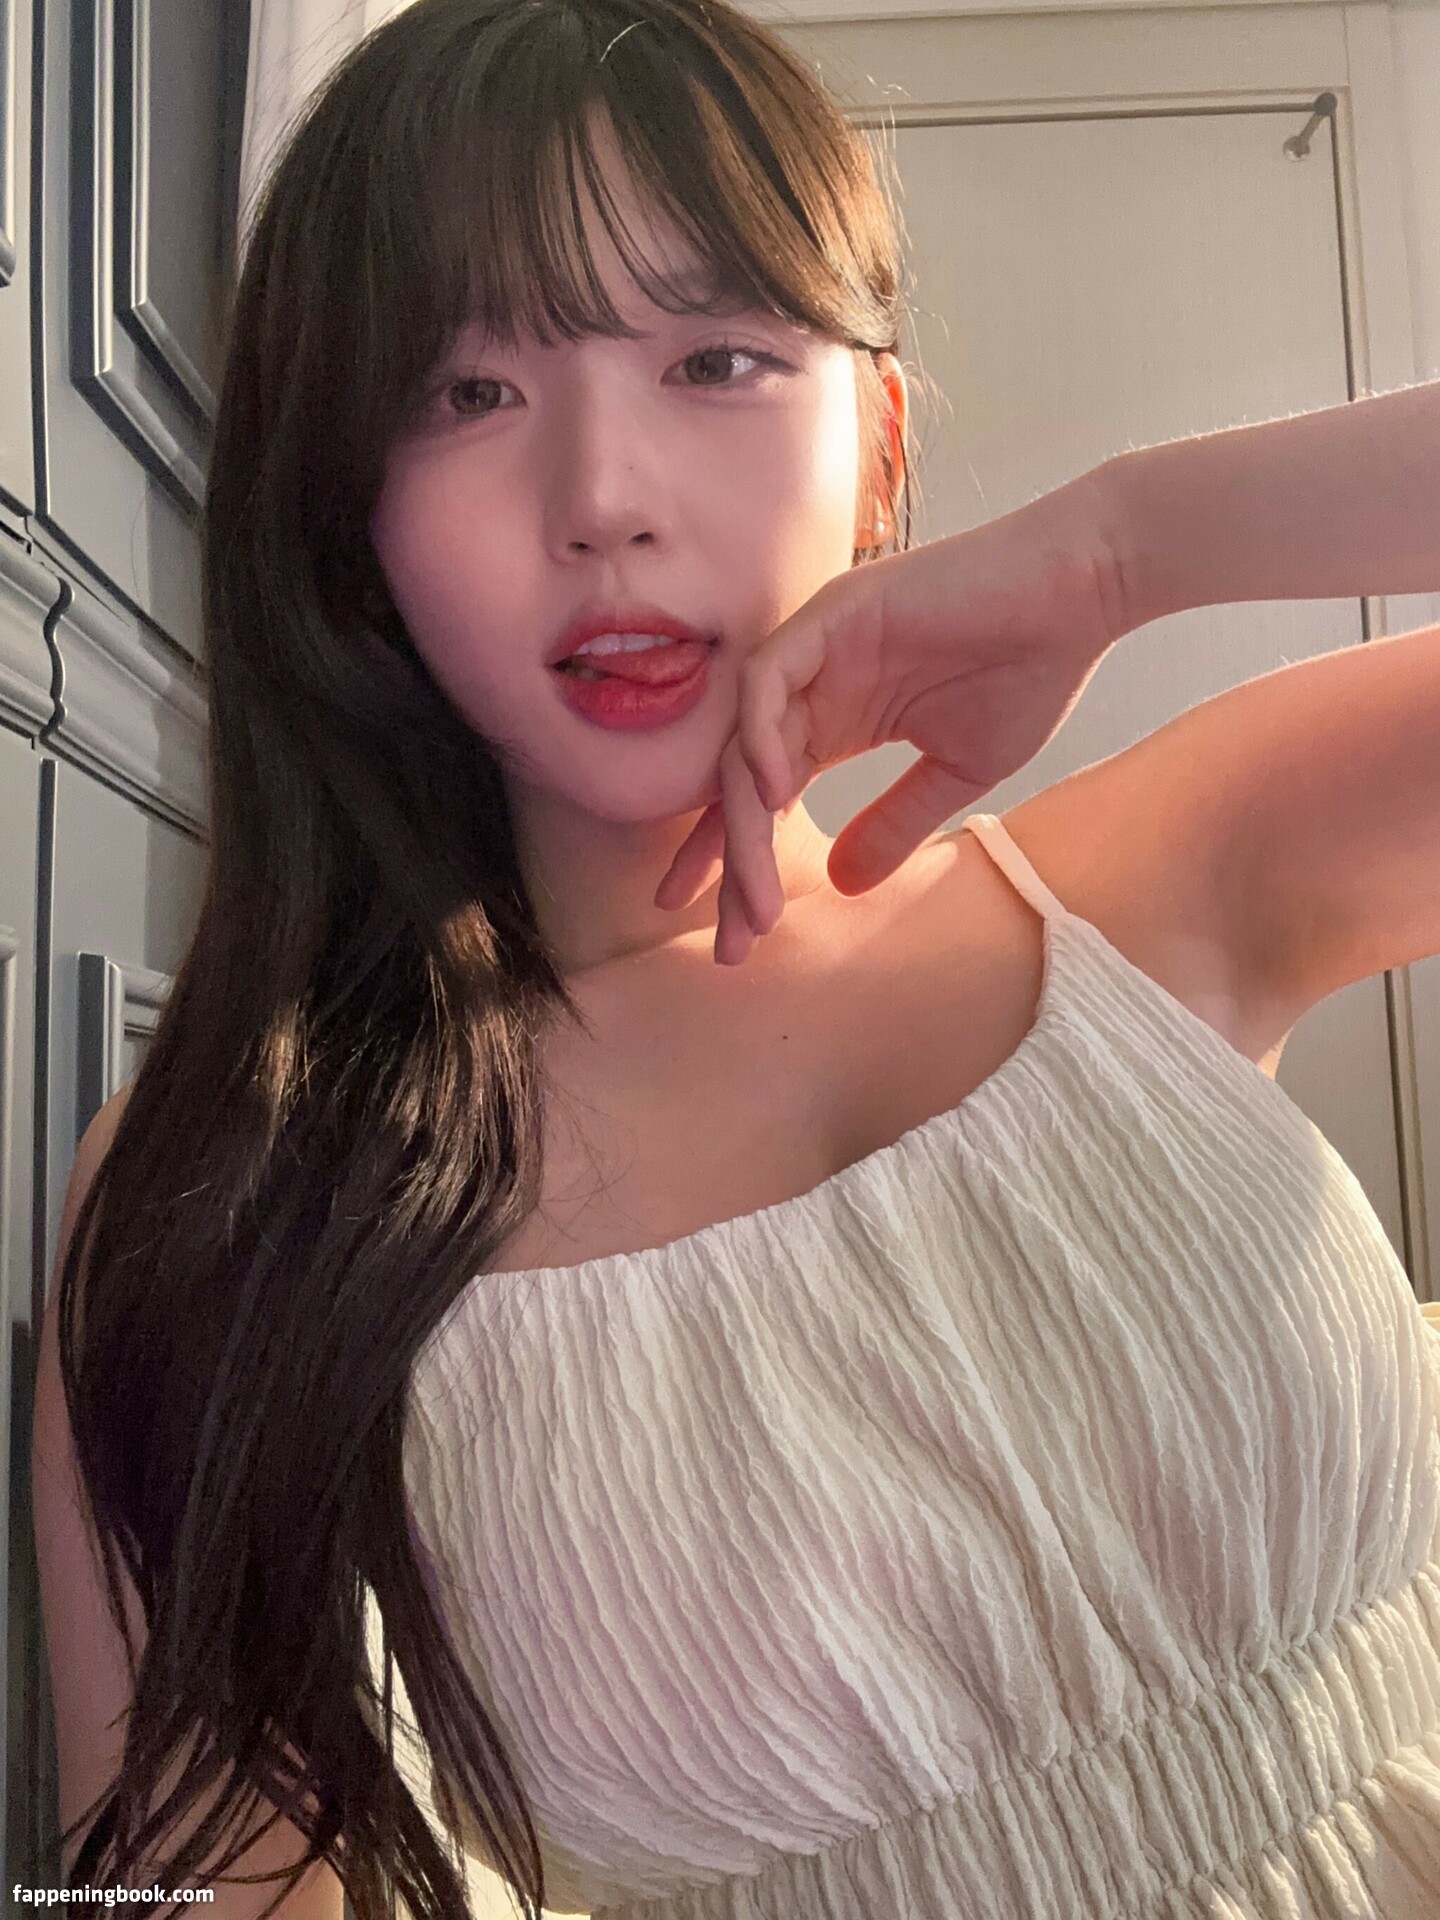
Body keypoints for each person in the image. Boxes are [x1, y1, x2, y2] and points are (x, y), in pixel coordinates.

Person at [29, 0, 1440, 1916]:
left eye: (716, 356)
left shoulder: (1173, 882)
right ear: (347, 524)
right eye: (464, 393)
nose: (603, 497)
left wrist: (1127, 543)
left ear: (879, 441)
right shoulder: (238, 1183)